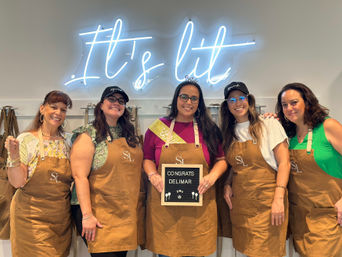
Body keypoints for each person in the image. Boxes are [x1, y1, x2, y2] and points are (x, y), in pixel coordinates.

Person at [143, 80, 227, 257]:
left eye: (194, 98)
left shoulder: (209, 129)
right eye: (184, 97)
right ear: (176, 99)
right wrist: (153, 175)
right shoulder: (158, 128)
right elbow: (147, 158)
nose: (188, 102)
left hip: (198, 212)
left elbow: (222, 160)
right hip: (166, 213)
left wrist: (211, 177)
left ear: (199, 103)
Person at [70, 86, 143, 257]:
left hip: (123, 211)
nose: (116, 103)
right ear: (101, 105)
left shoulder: (130, 135)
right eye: (111, 99)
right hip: (97, 212)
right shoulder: (88, 135)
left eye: (121, 101)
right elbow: (79, 176)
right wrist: (87, 216)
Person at [221, 82, 290, 257]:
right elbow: (235, 164)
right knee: (248, 251)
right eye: (232, 100)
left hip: (268, 204)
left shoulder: (268, 124)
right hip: (242, 206)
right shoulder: (229, 132)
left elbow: (284, 163)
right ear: (227, 105)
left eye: (241, 98)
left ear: (249, 100)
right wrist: (227, 184)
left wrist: (278, 199)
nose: (238, 103)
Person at [276, 82, 342, 257]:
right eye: (284, 105)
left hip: (328, 216)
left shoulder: (328, 127)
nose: (289, 108)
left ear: (308, 102)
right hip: (300, 218)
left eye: (294, 102)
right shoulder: (288, 135)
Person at [5, 90, 73, 257]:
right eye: (53, 107)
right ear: (42, 109)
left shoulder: (69, 142)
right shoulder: (27, 140)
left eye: (63, 110)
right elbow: (17, 182)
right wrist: (13, 156)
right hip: (30, 217)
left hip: (60, 219)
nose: (58, 113)